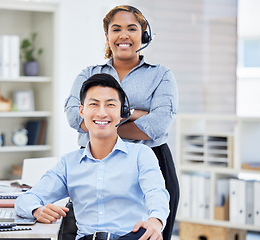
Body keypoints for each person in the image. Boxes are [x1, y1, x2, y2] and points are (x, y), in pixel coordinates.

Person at [64, 5, 179, 240]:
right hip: (96, 164)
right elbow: (74, 117)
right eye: (116, 29)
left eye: (132, 28)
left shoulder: (161, 75)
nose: (123, 35)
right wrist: (137, 114)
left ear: (143, 35)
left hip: (151, 161)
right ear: (107, 36)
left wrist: (101, 122)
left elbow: (158, 125)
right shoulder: (88, 73)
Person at [16, 73, 169, 240]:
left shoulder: (141, 155)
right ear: (82, 111)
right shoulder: (69, 163)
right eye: (94, 104)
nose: (102, 113)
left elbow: (156, 193)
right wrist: (37, 210)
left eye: (110, 105)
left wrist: (156, 221)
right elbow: (26, 199)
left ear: (122, 112)